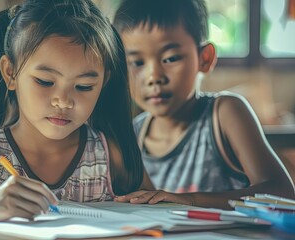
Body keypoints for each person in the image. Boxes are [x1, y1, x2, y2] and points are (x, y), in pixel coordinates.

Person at [0, 0, 152, 221]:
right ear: (10, 73)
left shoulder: (109, 155)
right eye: (45, 81)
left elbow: (156, 208)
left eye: (84, 86)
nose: (64, 101)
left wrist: (186, 200)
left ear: (103, 82)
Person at [113, 0, 295, 209]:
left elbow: (283, 193)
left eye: (171, 58)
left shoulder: (224, 114)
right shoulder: (134, 135)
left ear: (204, 58)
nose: (154, 77)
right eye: (137, 63)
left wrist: (189, 201)